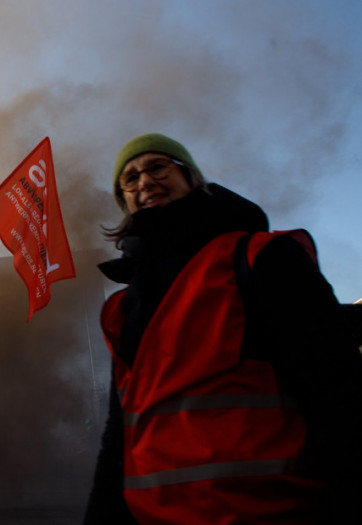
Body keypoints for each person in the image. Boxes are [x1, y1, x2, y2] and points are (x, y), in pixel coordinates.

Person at [84, 133, 362, 524]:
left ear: (192, 177)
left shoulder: (260, 259)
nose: (144, 182)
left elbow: (338, 395)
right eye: (129, 179)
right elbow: (119, 436)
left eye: (157, 166)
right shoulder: (120, 309)